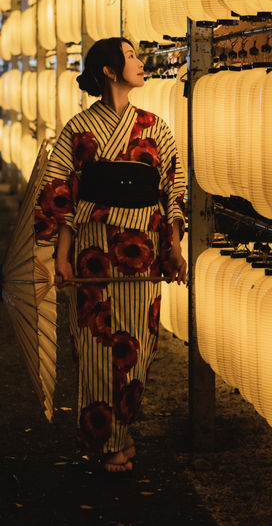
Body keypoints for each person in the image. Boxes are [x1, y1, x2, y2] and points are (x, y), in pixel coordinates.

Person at [34, 37, 187, 473]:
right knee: (98, 347)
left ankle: (121, 430)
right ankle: (114, 441)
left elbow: (171, 191)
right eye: (132, 55)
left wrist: (173, 248)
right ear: (108, 69)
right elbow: (62, 194)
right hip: (94, 249)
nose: (140, 62)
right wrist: (61, 258)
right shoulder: (79, 129)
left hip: (144, 250)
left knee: (139, 349)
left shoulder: (155, 127)